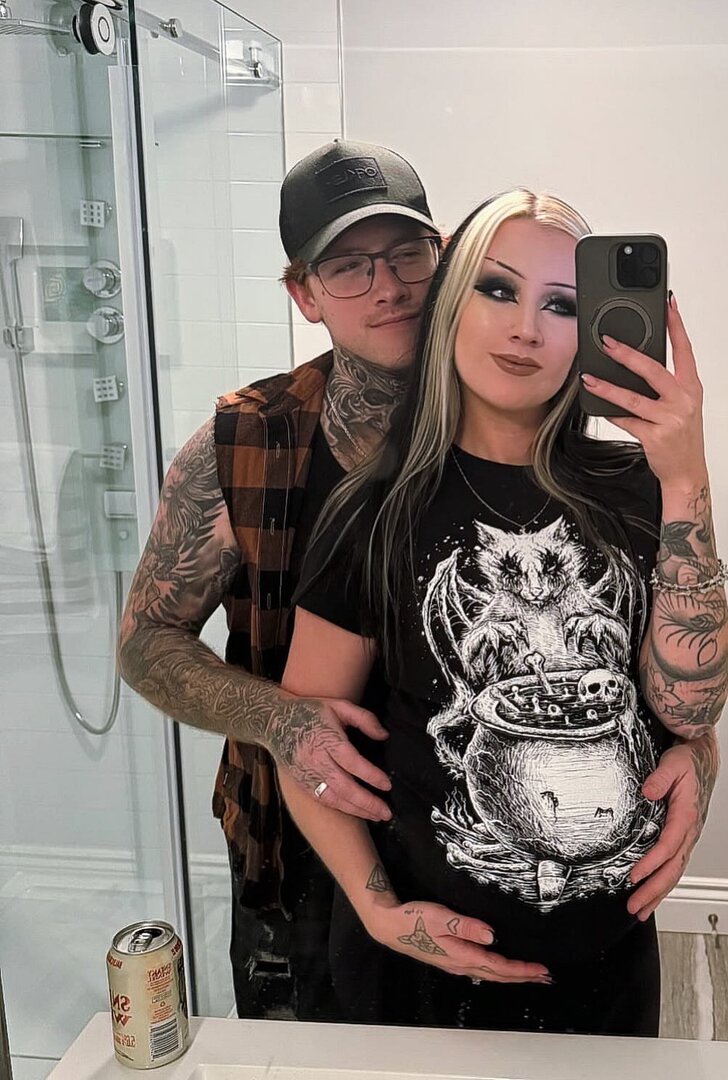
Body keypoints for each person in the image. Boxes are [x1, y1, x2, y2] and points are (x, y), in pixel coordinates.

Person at [277, 189, 728, 1036]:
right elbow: (305, 743)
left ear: (588, 332)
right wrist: (377, 909)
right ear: (450, 304)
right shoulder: (373, 510)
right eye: (496, 289)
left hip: (605, 958)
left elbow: (689, 708)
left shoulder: (640, 490)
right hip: (422, 960)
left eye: (560, 305)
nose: (525, 328)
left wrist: (685, 476)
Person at [116, 138, 443, 1020]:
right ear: (304, 294)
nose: (387, 286)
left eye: (406, 253)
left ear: (444, 257)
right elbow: (146, 642)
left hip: (474, 834)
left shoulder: (513, 423)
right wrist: (281, 721)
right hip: (292, 837)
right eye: (347, 266)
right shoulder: (242, 444)